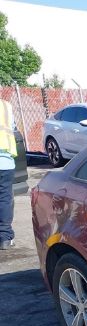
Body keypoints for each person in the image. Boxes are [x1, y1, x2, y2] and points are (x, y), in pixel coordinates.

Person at [0, 98, 17, 250]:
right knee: (5, 199)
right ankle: (4, 238)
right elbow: (13, 127)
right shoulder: (6, 106)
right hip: (5, 161)